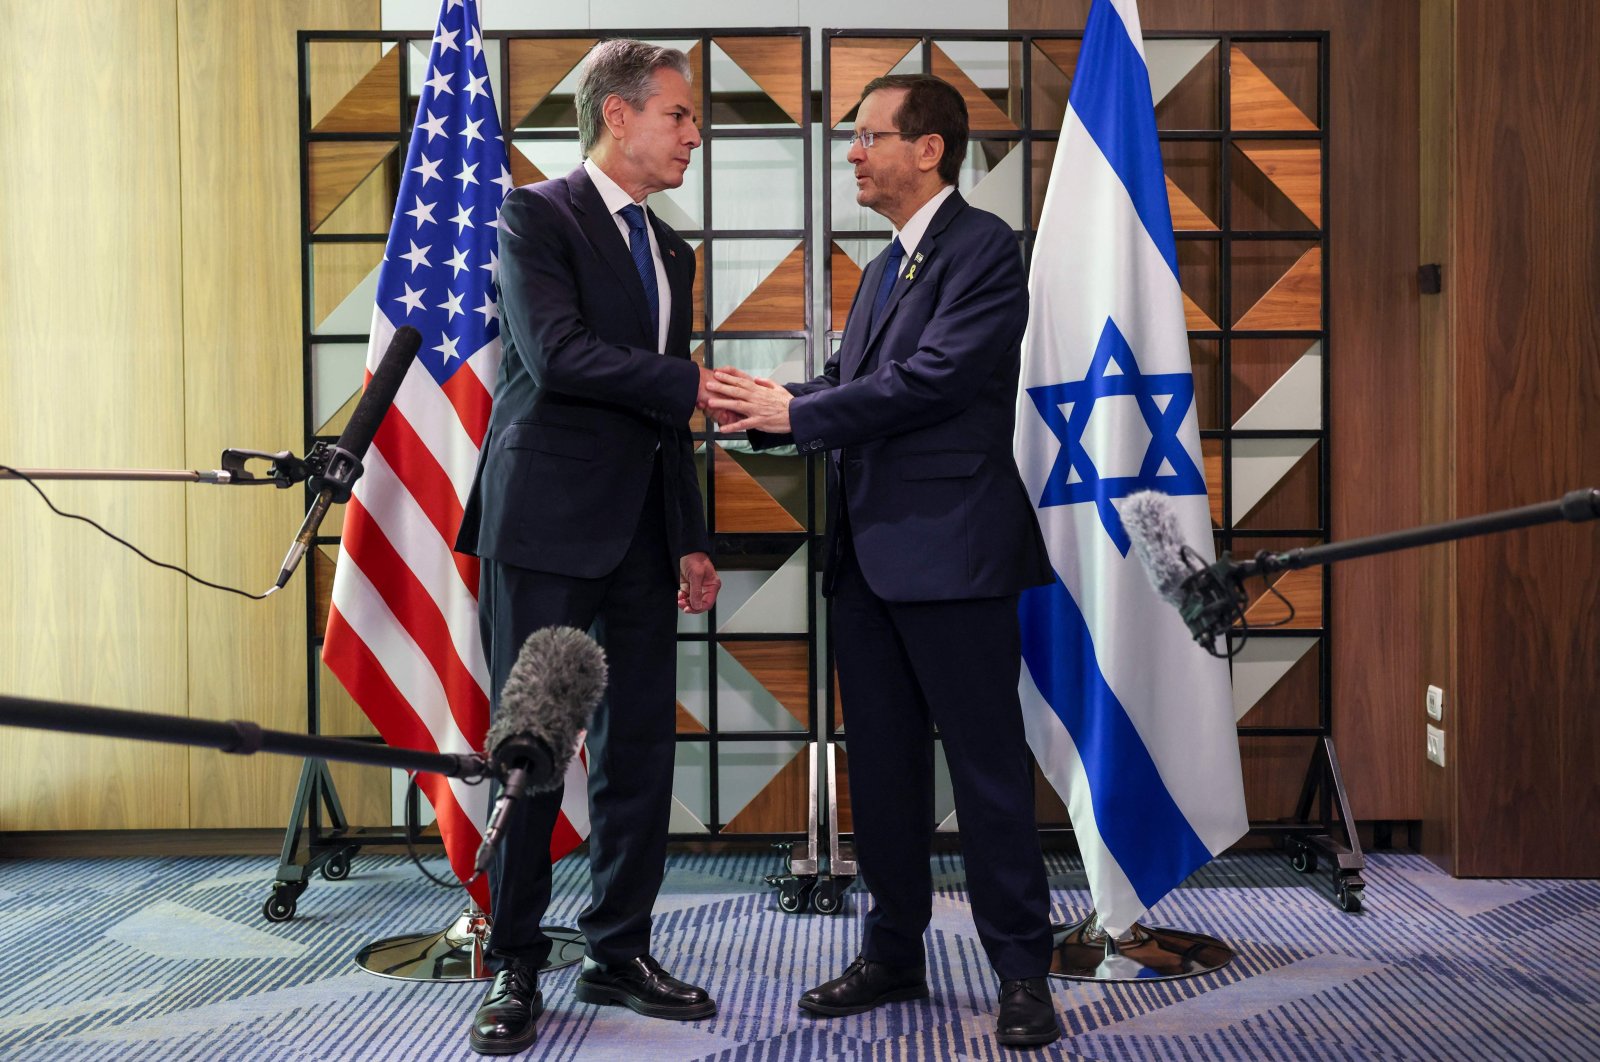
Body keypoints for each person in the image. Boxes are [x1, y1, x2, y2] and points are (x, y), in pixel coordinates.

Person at [707, 73, 1062, 1048]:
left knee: (987, 772)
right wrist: (767, 405)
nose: (853, 155)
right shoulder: (881, 268)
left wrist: (803, 411)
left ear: (929, 150)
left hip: (954, 558)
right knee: (885, 774)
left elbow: (934, 381)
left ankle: (1023, 972)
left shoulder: (985, 249)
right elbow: (854, 384)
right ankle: (893, 951)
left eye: (868, 137)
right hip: (865, 563)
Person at [454, 39, 722, 1056]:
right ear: (617, 115)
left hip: (646, 536)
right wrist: (688, 385)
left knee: (638, 752)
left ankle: (618, 948)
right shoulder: (535, 214)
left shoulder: (673, 250)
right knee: (529, 753)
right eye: (678, 115)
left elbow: (663, 413)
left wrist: (690, 536)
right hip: (548, 525)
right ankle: (515, 959)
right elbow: (554, 354)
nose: (692, 133)